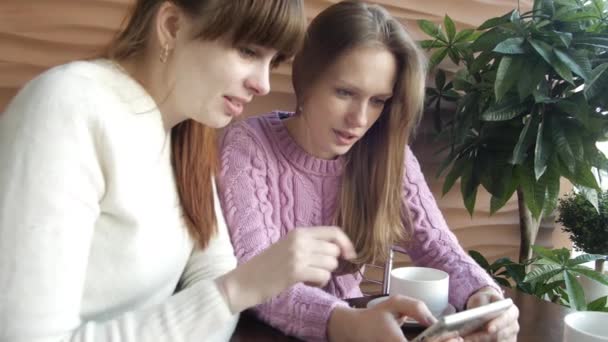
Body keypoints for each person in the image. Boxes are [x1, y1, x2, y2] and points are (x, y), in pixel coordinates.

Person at [0, 1, 357, 341]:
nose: (263, 83)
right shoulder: (68, 108)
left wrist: (226, 295)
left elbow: (212, 272)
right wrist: (239, 289)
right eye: (248, 51)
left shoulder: (189, 131)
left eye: (273, 60)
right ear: (171, 25)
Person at [218, 1, 520, 341]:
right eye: (345, 92)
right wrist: (348, 322)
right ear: (307, 78)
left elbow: (437, 246)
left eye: (378, 100)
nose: (359, 120)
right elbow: (258, 279)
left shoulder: (388, 154)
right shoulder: (248, 145)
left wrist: (482, 295)